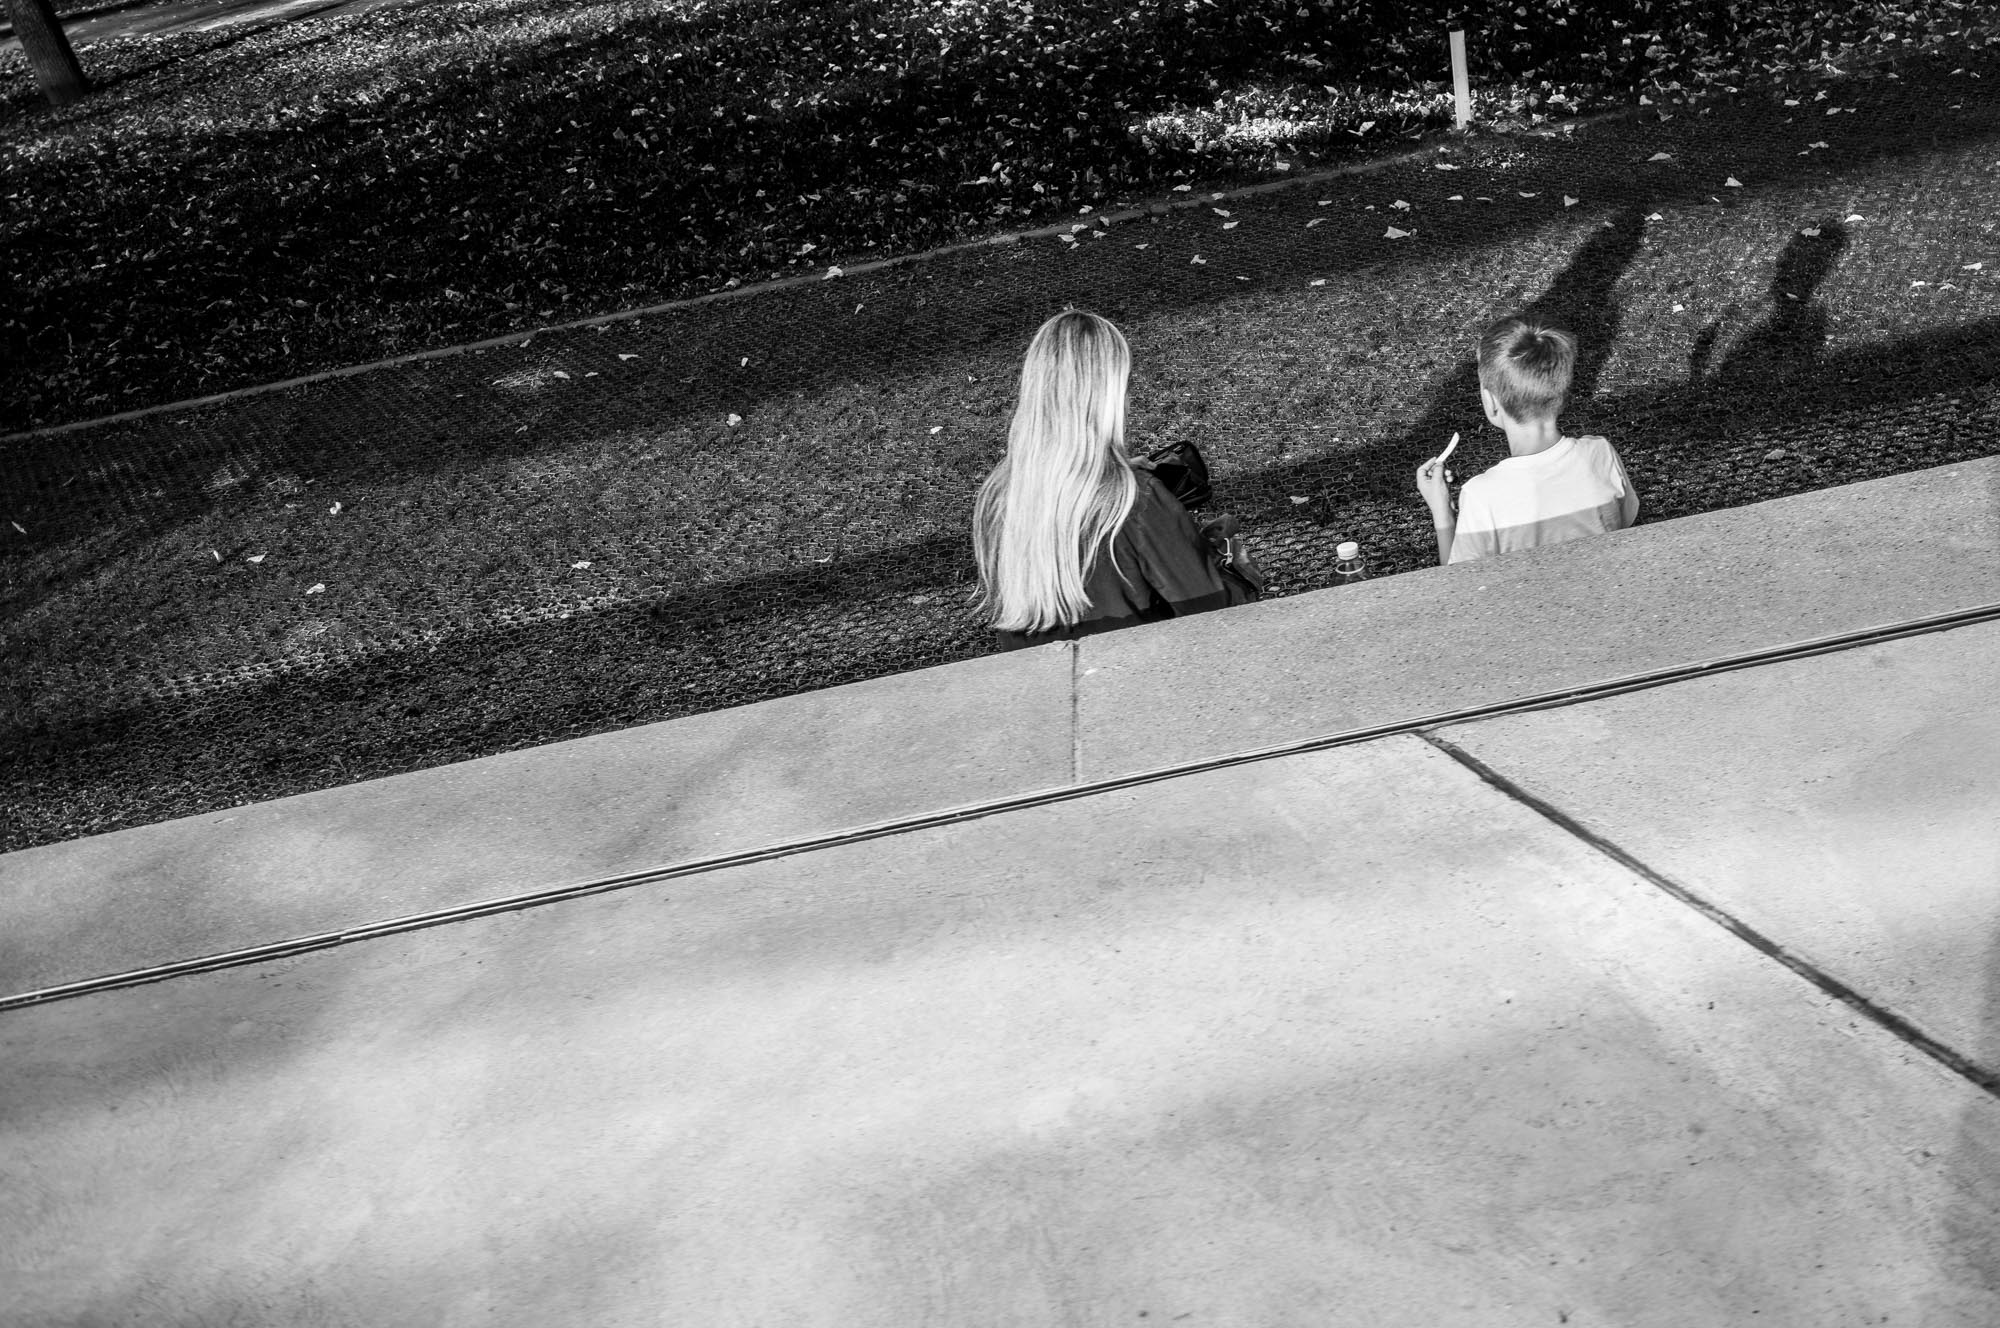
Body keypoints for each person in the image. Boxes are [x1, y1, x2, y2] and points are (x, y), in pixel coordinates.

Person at [973, 309, 1259, 651]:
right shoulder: (1135, 499)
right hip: (1134, 682)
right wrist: (1233, 561)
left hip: (1041, 689)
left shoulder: (999, 496)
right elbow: (1214, 615)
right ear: (1106, 395)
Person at [1416, 315, 1639, 565]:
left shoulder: (1481, 497)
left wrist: (1442, 512)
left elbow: (1457, 588)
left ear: (1490, 403)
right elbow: (1626, 523)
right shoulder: (1600, 453)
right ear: (1562, 395)